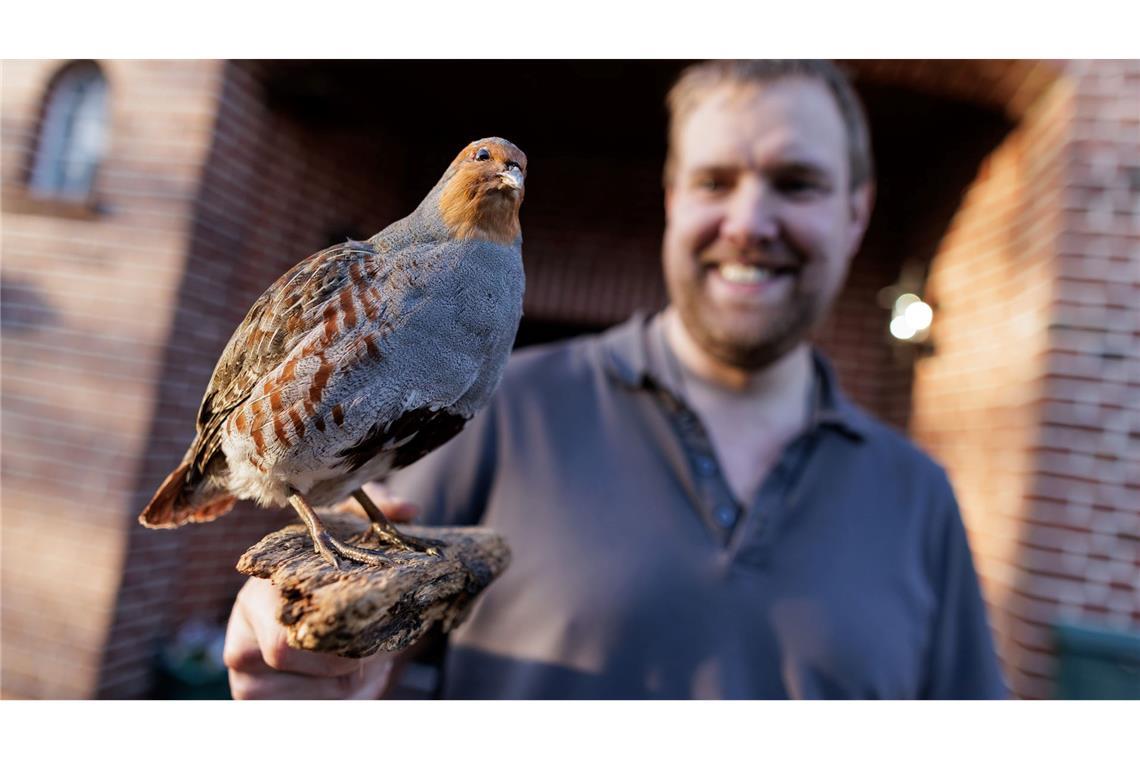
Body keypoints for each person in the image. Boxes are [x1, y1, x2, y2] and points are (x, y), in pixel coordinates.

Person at [223, 59, 1008, 699]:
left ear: (858, 213)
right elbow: (381, 613)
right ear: (671, 199)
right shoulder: (511, 407)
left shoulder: (922, 499)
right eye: (715, 180)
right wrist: (320, 663)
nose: (748, 221)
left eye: (797, 182)